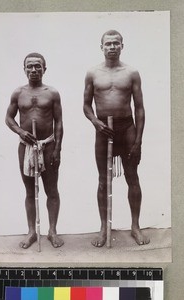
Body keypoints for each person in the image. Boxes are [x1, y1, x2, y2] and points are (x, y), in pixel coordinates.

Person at [83, 30, 150, 247]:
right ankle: (104, 228)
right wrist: (96, 122)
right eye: (108, 44)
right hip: (104, 130)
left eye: (116, 43)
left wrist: (138, 140)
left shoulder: (131, 73)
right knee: (103, 181)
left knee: (133, 177)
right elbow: (86, 105)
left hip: (127, 128)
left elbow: (139, 108)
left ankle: (135, 226)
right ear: (101, 46)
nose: (112, 47)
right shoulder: (92, 73)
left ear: (122, 45)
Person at [5, 52, 64, 249]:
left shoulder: (52, 93)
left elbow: (59, 123)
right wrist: (21, 132)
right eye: (29, 66)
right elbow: (9, 119)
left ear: (44, 69)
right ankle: (31, 231)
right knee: (30, 191)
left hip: (47, 146)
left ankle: (52, 231)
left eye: (37, 66)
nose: (33, 70)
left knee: (51, 190)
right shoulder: (18, 93)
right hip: (27, 148)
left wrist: (57, 149)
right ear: (24, 69)